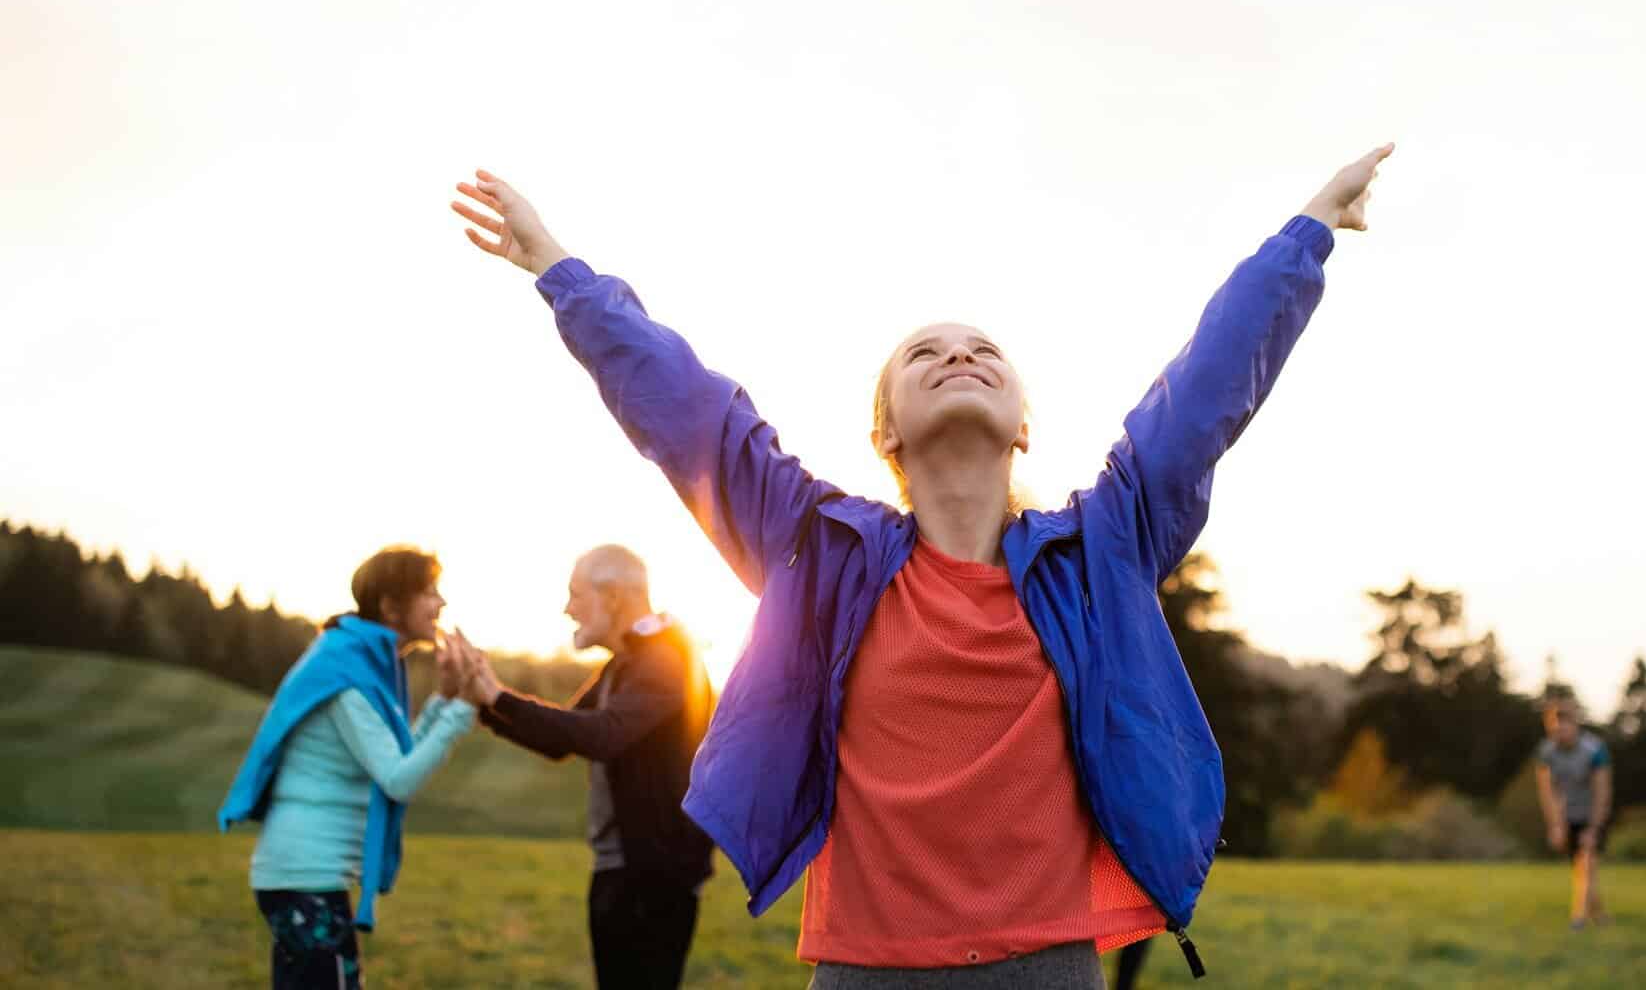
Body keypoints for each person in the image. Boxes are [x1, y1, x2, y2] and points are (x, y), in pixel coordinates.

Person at [451, 143, 1390, 986]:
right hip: (866, 970)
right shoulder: (816, 551)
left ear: (1023, 425)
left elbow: (1204, 391)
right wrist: (558, 269)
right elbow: (688, 408)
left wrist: (1305, 235)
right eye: (925, 354)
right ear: (886, 431)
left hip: (1046, 971)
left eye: (985, 351)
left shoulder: (1101, 551)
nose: (960, 356)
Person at [452, 545, 715, 989]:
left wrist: (497, 696)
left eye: (576, 595)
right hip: (621, 873)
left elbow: (600, 735)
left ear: (612, 596)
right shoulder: (628, 663)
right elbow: (565, 736)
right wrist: (484, 701)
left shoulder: (667, 658)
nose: (567, 609)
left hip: (653, 881)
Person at [219, 546, 478, 989]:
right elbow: (398, 780)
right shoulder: (345, 672)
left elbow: (394, 759)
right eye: (429, 591)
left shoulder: (360, 662)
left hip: (305, 878)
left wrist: (446, 697)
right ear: (391, 606)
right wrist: (465, 709)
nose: (441, 603)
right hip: (304, 877)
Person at [1533, 699, 1612, 929]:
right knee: (1581, 869)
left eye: (1563, 727)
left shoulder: (1595, 750)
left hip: (1593, 813)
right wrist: (1555, 825)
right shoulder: (1546, 752)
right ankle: (1601, 917)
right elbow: (1548, 792)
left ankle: (1578, 918)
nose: (1559, 732)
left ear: (1575, 725)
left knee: (1587, 863)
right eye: (1553, 728)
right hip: (1567, 816)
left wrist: (1594, 829)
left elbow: (1602, 791)